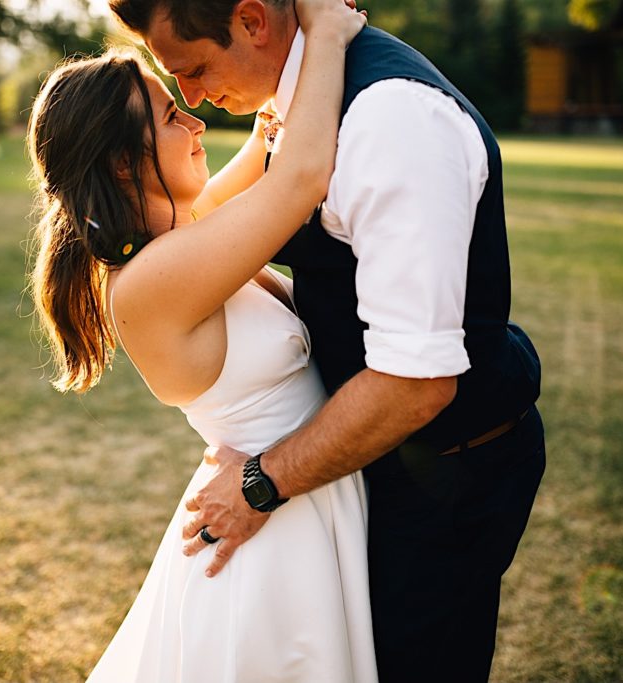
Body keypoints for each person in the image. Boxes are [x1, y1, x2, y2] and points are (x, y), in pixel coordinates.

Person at [108, 1, 547, 681]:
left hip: (437, 476)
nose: (194, 103)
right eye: (172, 101)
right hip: (347, 479)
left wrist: (259, 478)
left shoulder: (390, 119)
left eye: (192, 71)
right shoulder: (296, 116)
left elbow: (416, 379)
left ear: (252, 21)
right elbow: (285, 179)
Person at [27, 1, 374, 681]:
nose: (195, 120)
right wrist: (327, 30)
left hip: (296, 498)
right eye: (170, 115)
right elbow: (298, 177)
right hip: (271, 544)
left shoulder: (179, 240)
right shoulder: (152, 281)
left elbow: (266, 149)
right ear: (126, 165)